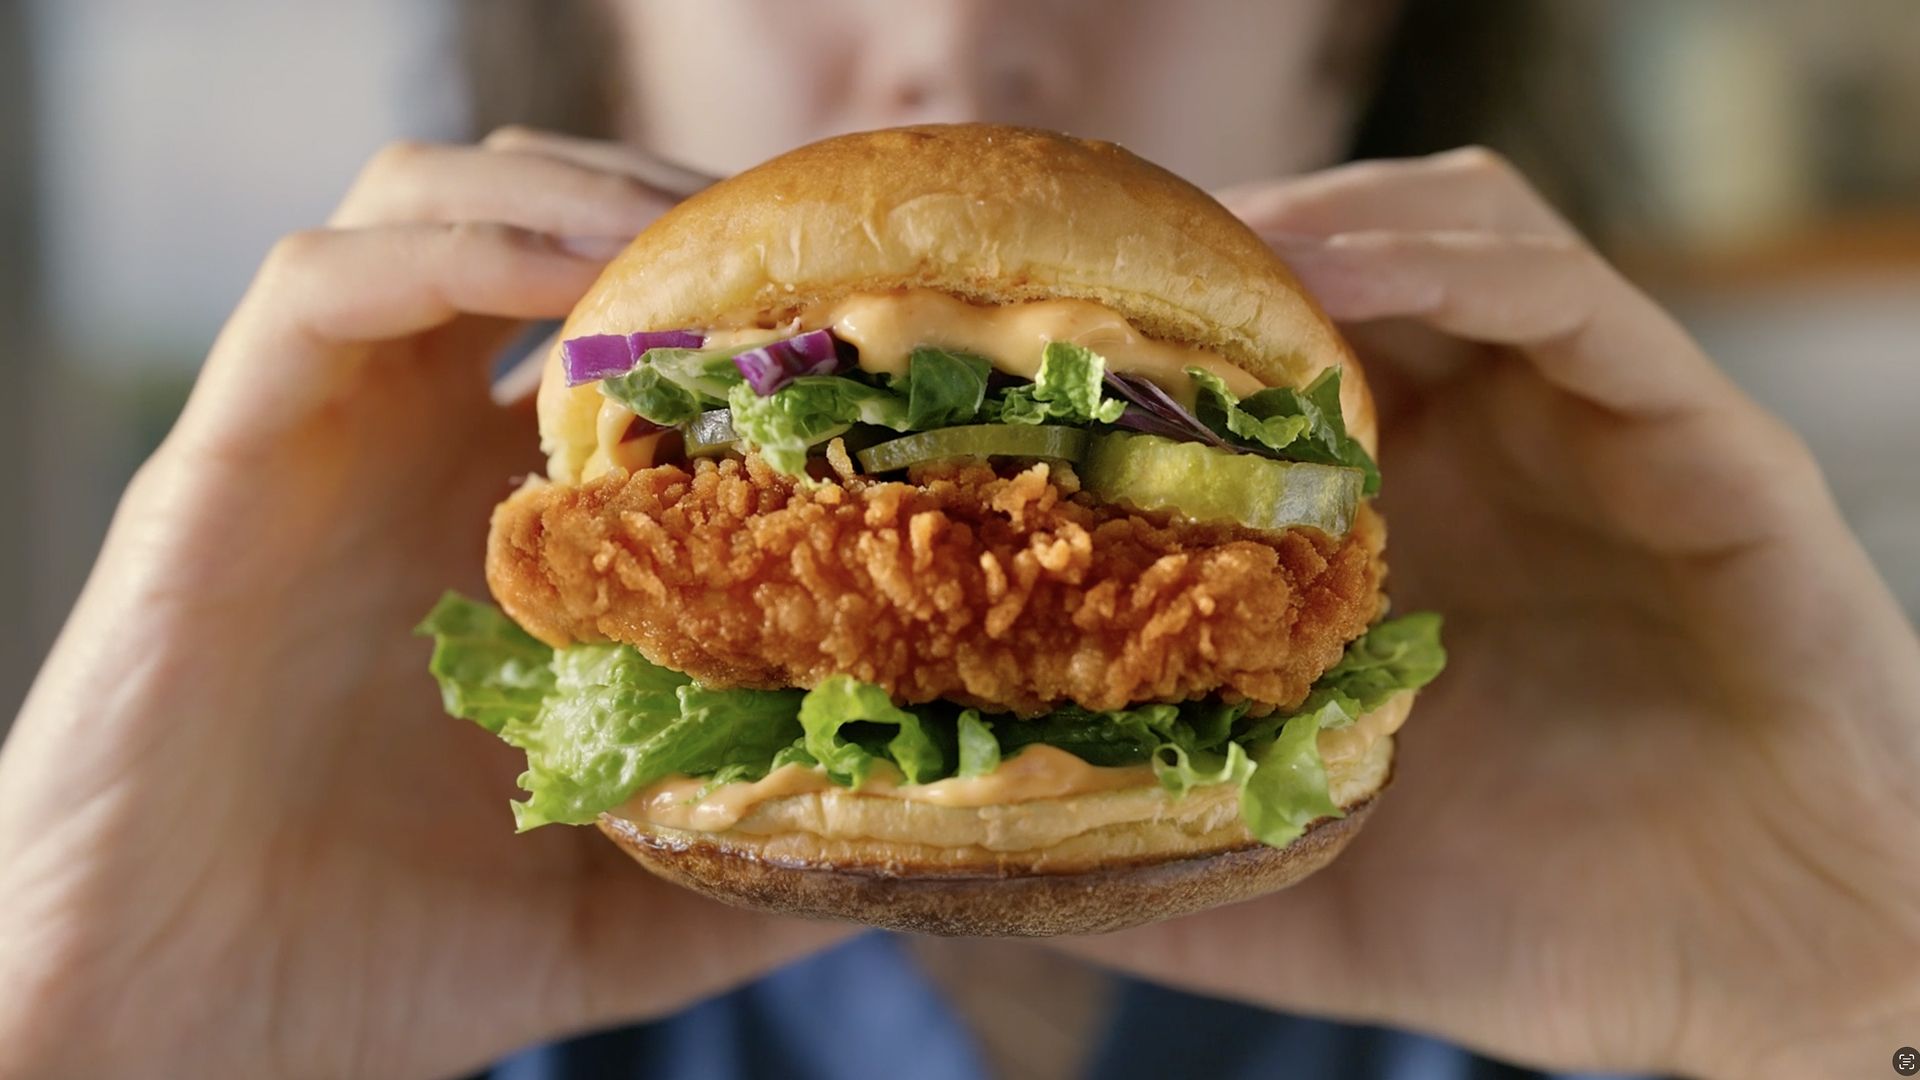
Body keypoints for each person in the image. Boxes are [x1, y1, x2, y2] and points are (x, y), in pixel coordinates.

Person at [2, 3, 1916, 1078]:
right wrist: (77, 1028)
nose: (960, 47)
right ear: (600, 53)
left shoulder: (1663, 799)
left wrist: (1865, 986)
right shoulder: (308, 858)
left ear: (1357, 51)